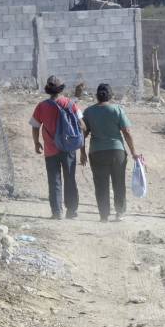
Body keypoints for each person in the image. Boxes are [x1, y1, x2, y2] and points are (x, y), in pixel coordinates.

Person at [83, 83, 141, 223]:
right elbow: (126, 132)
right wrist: (133, 152)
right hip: (117, 152)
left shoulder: (88, 112)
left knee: (101, 184)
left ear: (97, 96)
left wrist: (82, 152)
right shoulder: (117, 110)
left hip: (96, 153)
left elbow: (83, 134)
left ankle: (104, 215)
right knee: (118, 182)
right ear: (111, 95)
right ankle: (120, 212)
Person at [31, 75, 86, 219]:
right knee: (70, 179)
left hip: (50, 150)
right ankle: (72, 211)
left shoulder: (41, 106)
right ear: (61, 88)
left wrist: (36, 142)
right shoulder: (70, 104)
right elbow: (82, 125)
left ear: (48, 89)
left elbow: (35, 126)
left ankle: (56, 212)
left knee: (54, 180)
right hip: (68, 149)